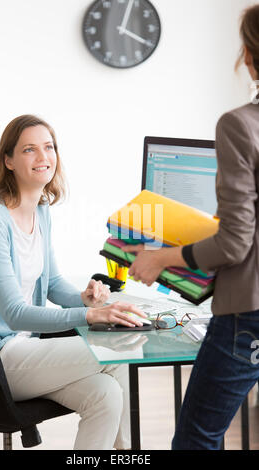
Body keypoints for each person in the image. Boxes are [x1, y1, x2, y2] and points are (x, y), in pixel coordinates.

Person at [0, 114, 147, 450]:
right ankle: (129, 456)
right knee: (116, 349)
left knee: (105, 396)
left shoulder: (40, 211)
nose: (43, 157)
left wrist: (84, 298)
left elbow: (52, 284)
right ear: (9, 160)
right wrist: (91, 316)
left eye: (49, 147)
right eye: (30, 149)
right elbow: (15, 313)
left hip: (24, 349)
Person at [123, 4, 259, 450]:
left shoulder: (240, 125)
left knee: (197, 438)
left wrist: (162, 257)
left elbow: (236, 242)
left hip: (248, 313)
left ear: (249, 57)